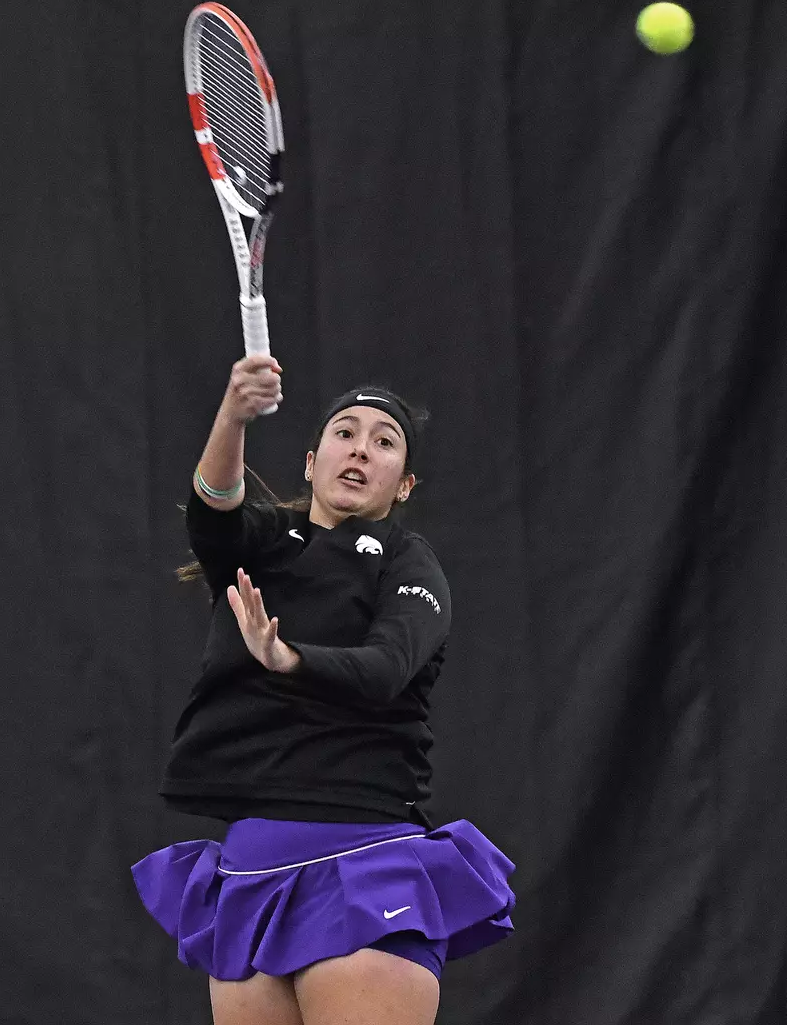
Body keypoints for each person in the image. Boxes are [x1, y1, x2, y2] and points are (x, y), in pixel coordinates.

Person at [132, 355, 514, 1025]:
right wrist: (234, 412)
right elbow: (212, 509)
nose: (360, 449)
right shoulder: (260, 546)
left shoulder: (405, 562)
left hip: (361, 864)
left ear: (403, 485)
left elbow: (386, 668)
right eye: (345, 432)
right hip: (250, 879)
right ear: (311, 463)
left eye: (383, 442)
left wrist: (288, 657)